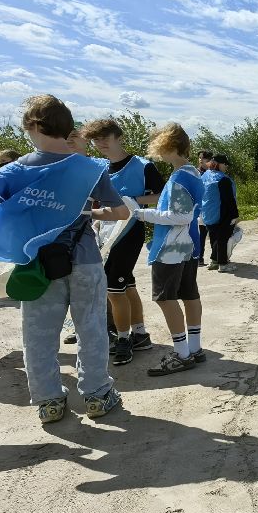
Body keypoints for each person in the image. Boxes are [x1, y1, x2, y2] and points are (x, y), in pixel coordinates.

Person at [0, 95, 128, 425]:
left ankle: (48, 401)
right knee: (91, 329)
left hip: (36, 263)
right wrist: (87, 210)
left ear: (33, 125)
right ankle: (97, 396)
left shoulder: (11, 172)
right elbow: (120, 212)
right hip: (85, 258)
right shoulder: (90, 169)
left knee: (37, 334)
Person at [83, 117, 165, 367]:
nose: (100, 144)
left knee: (112, 289)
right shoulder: (99, 168)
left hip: (130, 232)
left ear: (120, 137)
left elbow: (161, 196)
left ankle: (123, 339)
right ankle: (140, 334)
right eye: (95, 140)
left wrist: (132, 200)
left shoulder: (143, 165)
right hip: (104, 233)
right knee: (126, 284)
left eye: (104, 138)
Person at [135, 124, 205, 376]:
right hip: (190, 245)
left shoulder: (178, 178)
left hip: (172, 248)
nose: (158, 153)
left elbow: (179, 216)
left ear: (169, 146)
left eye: (160, 147)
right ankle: (194, 348)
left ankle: (182, 354)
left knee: (166, 298)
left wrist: (141, 213)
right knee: (189, 294)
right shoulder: (194, 173)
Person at [202, 154, 240, 273]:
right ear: (218, 164)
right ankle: (223, 264)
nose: (226, 166)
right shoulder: (223, 179)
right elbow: (229, 200)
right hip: (222, 214)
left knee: (214, 237)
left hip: (208, 213)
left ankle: (214, 261)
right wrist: (235, 215)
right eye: (225, 164)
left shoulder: (206, 175)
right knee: (222, 238)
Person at [191, 149, 214, 267]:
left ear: (209, 160)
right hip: (199, 207)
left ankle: (216, 257)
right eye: (199, 158)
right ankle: (199, 257)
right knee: (201, 234)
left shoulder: (213, 173)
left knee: (214, 233)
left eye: (203, 158)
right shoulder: (196, 172)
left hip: (210, 207)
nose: (200, 160)